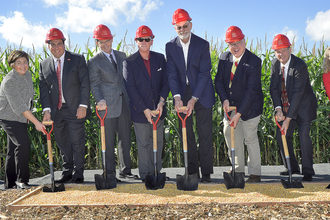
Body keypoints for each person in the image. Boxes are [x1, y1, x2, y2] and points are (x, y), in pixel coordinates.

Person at [166, 9, 215, 182]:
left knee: (204, 132)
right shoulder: (170, 46)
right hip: (182, 92)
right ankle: (192, 171)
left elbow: (204, 73)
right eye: (178, 27)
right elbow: (171, 73)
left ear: (190, 25)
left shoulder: (202, 44)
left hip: (202, 92)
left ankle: (207, 172)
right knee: (186, 133)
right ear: (175, 28)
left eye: (185, 26)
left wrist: (194, 99)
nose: (182, 30)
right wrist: (177, 96)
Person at [39, 28, 90, 183]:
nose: (56, 47)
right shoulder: (44, 64)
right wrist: (47, 110)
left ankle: (78, 172)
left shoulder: (77, 59)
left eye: (59, 43)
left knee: (77, 141)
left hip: (75, 108)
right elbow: (43, 90)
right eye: (52, 44)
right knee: (62, 142)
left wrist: (83, 105)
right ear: (48, 46)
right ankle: (67, 171)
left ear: (64, 43)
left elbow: (85, 84)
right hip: (56, 111)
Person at [214, 26, 263, 183]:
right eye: (231, 43)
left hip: (251, 107)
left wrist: (240, 114)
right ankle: (238, 169)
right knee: (230, 134)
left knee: (249, 137)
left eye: (238, 43)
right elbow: (219, 82)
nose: (235, 47)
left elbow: (251, 90)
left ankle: (255, 173)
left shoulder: (254, 61)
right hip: (231, 106)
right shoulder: (224, 58)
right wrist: (224, 100)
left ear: (244, 41)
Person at [88, 24, 137, 180]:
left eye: (108, 40)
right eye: (102, 41)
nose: (106, 44)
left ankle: (125, 171)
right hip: (107, 106)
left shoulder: (122, 55)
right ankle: (109, 173)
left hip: (124, 103)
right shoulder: (94, 61)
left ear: (112, 39)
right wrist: (100, 100)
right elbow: (94, 84)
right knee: (108, 141)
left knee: (125, 138)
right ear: (97, 42)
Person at [123, 25, 169, 182]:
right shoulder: (129, 62)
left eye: (146, 39)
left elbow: (166, 82)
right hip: (140, 112)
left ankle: (157, 172)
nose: (143, 41)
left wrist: (161, 102)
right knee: (144, 144)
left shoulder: (160, 58)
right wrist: (144, 109)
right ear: (136, 41)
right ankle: (146, 175)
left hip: (159, 110)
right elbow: (131, 89)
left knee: (159, 141)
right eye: (140, 39)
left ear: (151, 41)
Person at [270, 34, 317, 181]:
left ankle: (308, 170)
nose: (280, 54)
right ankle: (292, 167)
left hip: (303, 107)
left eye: (283, 50)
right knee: (281, 135)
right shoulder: (275, 64)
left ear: (290, 49)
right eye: (277, 51)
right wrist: (278, 109)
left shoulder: (299, 65)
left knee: (303, 137)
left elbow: (298, 93)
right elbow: (274, 89)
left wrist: (288, 118)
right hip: (284, 107)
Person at [0, 50, 45, 189]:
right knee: (23, 144)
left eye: (25, 62)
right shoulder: (9, 82)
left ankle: (10, 184)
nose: (23, 65)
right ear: (12, 65)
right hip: (8, 117)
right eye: (19, 63)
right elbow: (19, 107)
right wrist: (36, 122)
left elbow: (28, 99)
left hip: (21, 117)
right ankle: (22, 180)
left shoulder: (28, 75)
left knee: (13, 149)